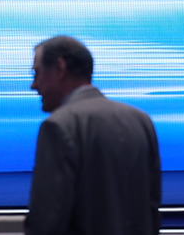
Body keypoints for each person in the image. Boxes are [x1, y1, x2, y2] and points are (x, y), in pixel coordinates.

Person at [26, 35, 162, 235]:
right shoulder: (141, 121)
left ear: (60, 68)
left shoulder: (58, 126)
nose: (34, 85)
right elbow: (152, 211)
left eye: (36, 73)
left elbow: (46, 223)